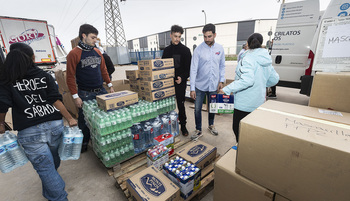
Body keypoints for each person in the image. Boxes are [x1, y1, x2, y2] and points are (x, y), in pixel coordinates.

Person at [0, 43, 77, 201]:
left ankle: (59, 197)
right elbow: (55, 99)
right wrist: (69, 118)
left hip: (30, 132)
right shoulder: (43, 75)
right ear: (32, 58)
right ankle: (52, 190)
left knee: (46, 167)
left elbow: (2, 105)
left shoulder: (7, 80)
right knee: (52, 161)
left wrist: (1, 123)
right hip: (55, 126)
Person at [219, 33, 279, 143]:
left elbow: (247, 80)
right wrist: (261, 84)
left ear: (248, 43)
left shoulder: (248, 58)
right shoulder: (266, 58)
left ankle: (242, 153)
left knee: (239, 131)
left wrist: (227, 89)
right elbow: (274, 79)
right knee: (251, 133)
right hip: (258, 102)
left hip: (244, 104)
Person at [66, 24, 114, 152]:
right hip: (85, 93)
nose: (95, 40)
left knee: (107, 114)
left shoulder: (97, 52)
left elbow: (103, 70)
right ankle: (84, 143)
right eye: (93, 38)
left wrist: (110, 85)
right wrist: (75, 96)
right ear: (84, 36)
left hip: (100, 90)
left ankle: (105, 141)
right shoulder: (74, 54)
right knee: (84, 120)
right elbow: (70, 77)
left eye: (96, 38)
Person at [190, 23, 225, 140]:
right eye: (205, 36)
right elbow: (193, 69)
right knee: (197, 109)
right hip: (200, 85)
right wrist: (192, 88)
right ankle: (198, 129)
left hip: (214, 85)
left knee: (212, 107)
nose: (207, 39)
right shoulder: (198, 50)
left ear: (214, 35)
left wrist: (221, 80)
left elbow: (222, 66)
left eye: (209, 36)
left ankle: (211, 125)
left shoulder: (220, 48)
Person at [162, 25, 192, 136]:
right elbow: (162, 67)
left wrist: (182, 77)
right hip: (167, 83)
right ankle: (166, 127)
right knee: (166, 105)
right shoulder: (166, 51)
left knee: (181, 104)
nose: (177, 39)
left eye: (179, 37)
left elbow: (189, 69)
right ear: (171, 35)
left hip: (180, 82)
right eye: (175, 36)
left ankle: (183, 126)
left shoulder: (185, 50)